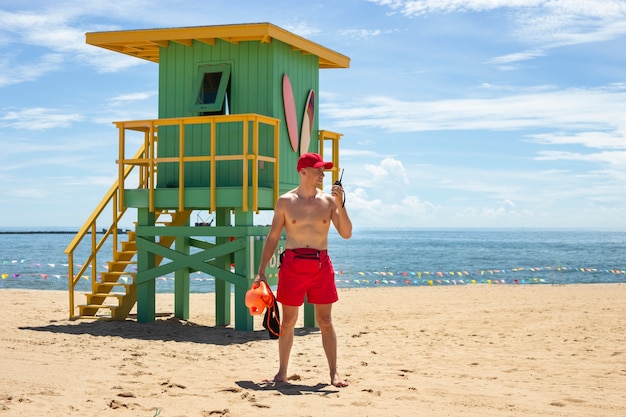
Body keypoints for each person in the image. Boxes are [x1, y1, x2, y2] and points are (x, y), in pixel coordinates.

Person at [255, 152, 353, 388]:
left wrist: (341, 206)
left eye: (323, 169)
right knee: (288, 321)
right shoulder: (285, 201)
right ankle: (281, 373)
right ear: (303, 172)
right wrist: (261, 271)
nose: (322, 173)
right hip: (292, 265)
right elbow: (273, 236)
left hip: (321, 265)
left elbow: (346, 233)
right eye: (318, 169)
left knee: (325, 321)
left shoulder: (329, 202)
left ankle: (334, 374)